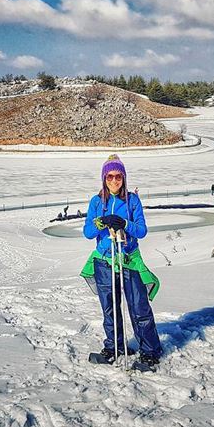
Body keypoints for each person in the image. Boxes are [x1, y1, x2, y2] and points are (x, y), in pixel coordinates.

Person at [80, 154, 162, 369]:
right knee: (109, 308)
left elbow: (142, 231)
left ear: (124, 178)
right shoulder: (97, 201)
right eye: (110, 177)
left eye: (118, 176)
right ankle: (113, 347)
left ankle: (150, 351)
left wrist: (124, 223)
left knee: (139, 308)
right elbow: (88, 232)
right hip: (104, 261)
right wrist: (101, 222)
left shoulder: (132, 200)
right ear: (104, 179)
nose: (114, 181)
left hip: (128, 259)